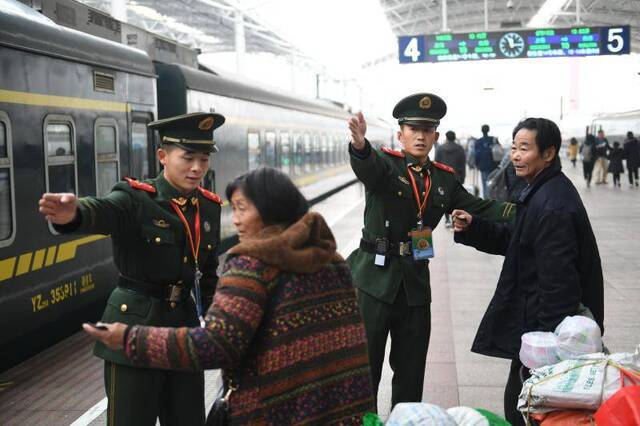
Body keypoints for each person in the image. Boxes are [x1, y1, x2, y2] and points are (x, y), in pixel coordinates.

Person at [83, 167, 376, 425]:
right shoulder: (333, 260)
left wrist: (129, 338)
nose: (234, 220)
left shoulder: (251, 265)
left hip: (271, 412)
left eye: (241, 208)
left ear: (269, 210)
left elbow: (215, 346)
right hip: (341, 410)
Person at [38, 112, 225, 425]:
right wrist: (73, 214)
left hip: (184, 331)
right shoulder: (135, 198)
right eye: (188, 157)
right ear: (163, 156)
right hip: (133, 325)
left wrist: (216, 325)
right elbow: (102, 211)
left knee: (188, 419)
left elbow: (207, 273)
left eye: (204, 159)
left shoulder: (208, 207)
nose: (197, 168)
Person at [347, 93, 514, 408]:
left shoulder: (444, 179)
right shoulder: (384, 164)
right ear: (401, 134)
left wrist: (530, 211)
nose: (420, 136)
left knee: (411, 371)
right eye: (413, 129)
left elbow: (482, 207)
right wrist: (359, 146)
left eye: (427, 130)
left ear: (436, 136)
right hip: (373, 282)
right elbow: (367, 167)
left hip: (415, 285)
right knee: (364, 370)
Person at [451, 117, 604, 426]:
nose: (516, 156)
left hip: (547, 329)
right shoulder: (541, 191)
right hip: (537, 322)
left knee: (525, 407)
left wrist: (548, 351)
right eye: (514, 148)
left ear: (548, 154)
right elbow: (518, 241)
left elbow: (559, 283)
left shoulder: (552, 205)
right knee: (520, 402)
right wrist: (475, 227)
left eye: (524, 148)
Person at [435, 130, 466, 227]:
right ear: (454, 137)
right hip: (457, 177)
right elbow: (462, 165)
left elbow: (436, 164)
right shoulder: (460, 149)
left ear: (447, 138)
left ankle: (447, 220)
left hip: (443, 177)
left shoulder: (439, 149)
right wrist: (463, 177)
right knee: (456, 199)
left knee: (445, 199)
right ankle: (454, 219)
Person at [474, 124, 499, 197]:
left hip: (483, 165)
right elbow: (499, 151)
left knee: (485, 183)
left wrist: (476, 164)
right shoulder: (494, 139)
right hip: (494, 165)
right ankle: (493, 198)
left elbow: (476, 154)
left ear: (482, 131)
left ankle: (486, 199)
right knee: (493, 182)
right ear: (488, 130)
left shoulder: (478, 141)